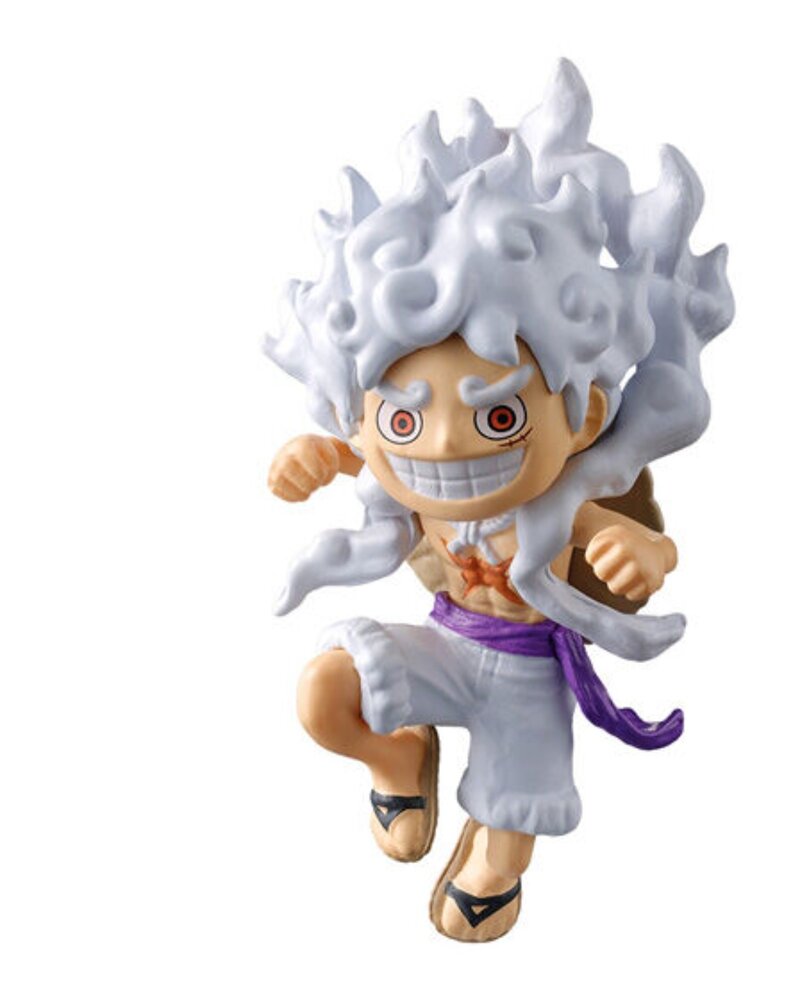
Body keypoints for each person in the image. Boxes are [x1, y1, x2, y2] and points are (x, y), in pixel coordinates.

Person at [265, 59, 733, 941]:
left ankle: (492, 858)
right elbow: (357, 455)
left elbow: (639, 543)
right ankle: (398, 757)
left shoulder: (561, 502)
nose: (444, 445)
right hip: (446, 642)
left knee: (506, 838)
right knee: (326, 692)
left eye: (500, 414)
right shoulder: (391, 471)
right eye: (405, 419)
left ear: (583, 415)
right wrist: (313, 454)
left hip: (526, 675)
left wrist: (646, 553)